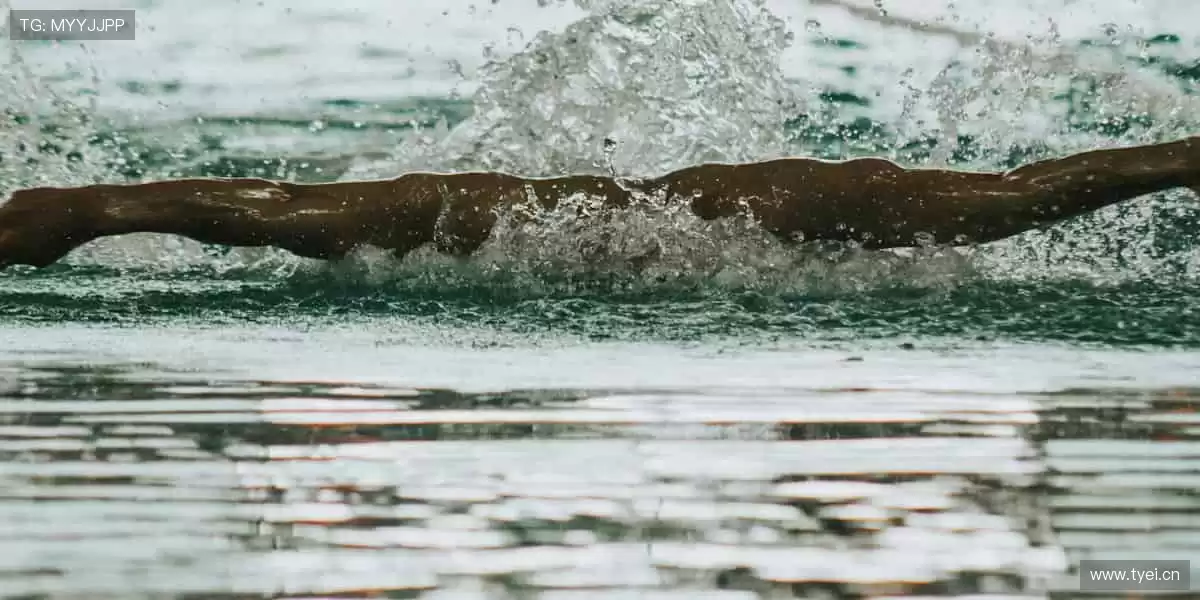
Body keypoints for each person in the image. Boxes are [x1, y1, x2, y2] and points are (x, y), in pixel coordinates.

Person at [1, 136, 1198, 270]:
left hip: (504, 210)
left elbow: (1027, 194)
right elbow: (1029, 194)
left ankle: (76, 209)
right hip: (498, 213)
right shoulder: (829, 208)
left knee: (308, 219)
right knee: (307, 221)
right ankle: (75, 208)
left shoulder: (826, 207)